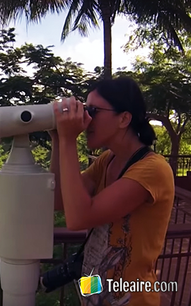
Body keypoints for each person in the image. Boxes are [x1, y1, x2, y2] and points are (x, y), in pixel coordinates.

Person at [48, 76, 175, 306]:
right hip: (96, 295)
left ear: (124, 118)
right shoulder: (107, 160)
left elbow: (78, 218)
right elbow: (59, 200)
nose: (86, 119)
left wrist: (68, 140)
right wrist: (58, 139)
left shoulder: (153, 169)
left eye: (93, 110)